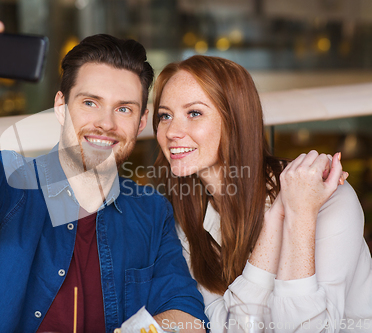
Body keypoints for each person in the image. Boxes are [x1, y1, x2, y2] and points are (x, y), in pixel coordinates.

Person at [0, 15, 208, 333]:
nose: (106, 123)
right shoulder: (13, 183)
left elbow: (187, 314)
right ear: (61, 107)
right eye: (90, 102)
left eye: (124, 109)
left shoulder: (151, 210)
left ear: (141, 122)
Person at [152, 55, 372, 332]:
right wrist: (275, 220)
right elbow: (227, 327)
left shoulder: (327, 195)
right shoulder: (185, 216)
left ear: (235, 120)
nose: (172, 131)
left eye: (194, 113)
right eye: (165, 115)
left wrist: (300, 214)